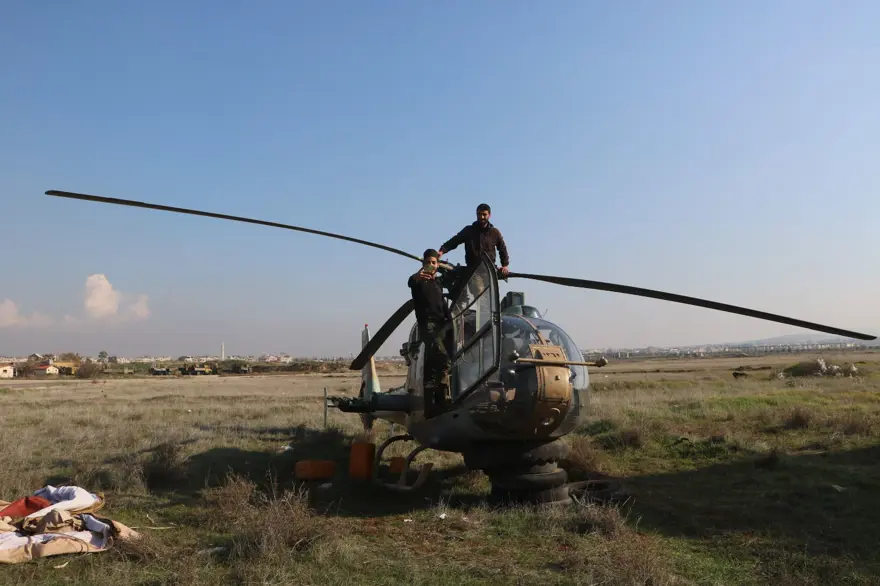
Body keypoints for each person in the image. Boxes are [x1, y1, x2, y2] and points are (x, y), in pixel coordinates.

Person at [437, 203, 509, 331]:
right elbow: (455, 240)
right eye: (479, 214)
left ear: (489, 215)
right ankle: (483, 325)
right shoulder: (469, 231)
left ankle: (490, 325)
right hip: (474, 271)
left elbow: (502, 248)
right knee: (481, 295)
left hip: (489, 271)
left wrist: (505, 265)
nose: (481, 217)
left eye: (484, 214)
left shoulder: (494, 232)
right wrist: (442, 250)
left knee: (490, 299)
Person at [408, 248, 453, 418]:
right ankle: (437, 400)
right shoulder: (419, 282)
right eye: (427, 262)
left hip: (443, 326)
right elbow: (411, 281)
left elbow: (453, 280)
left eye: (433, 263)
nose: (430, 265)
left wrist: (446, 267)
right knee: (441, 358)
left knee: (437, 363)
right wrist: (417, 276)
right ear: (423, 264)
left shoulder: (438, 283)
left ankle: (435, 403)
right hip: (429, 326)